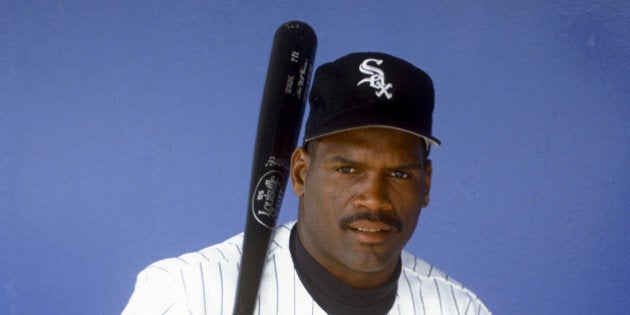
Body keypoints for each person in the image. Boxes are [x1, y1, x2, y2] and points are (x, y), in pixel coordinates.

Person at [122, 52, 491, 314]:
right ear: (300, 173)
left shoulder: (458, 308)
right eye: (348, 170)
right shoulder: (186, 293)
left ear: (425, 186)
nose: (375, 200)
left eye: (399, 174)